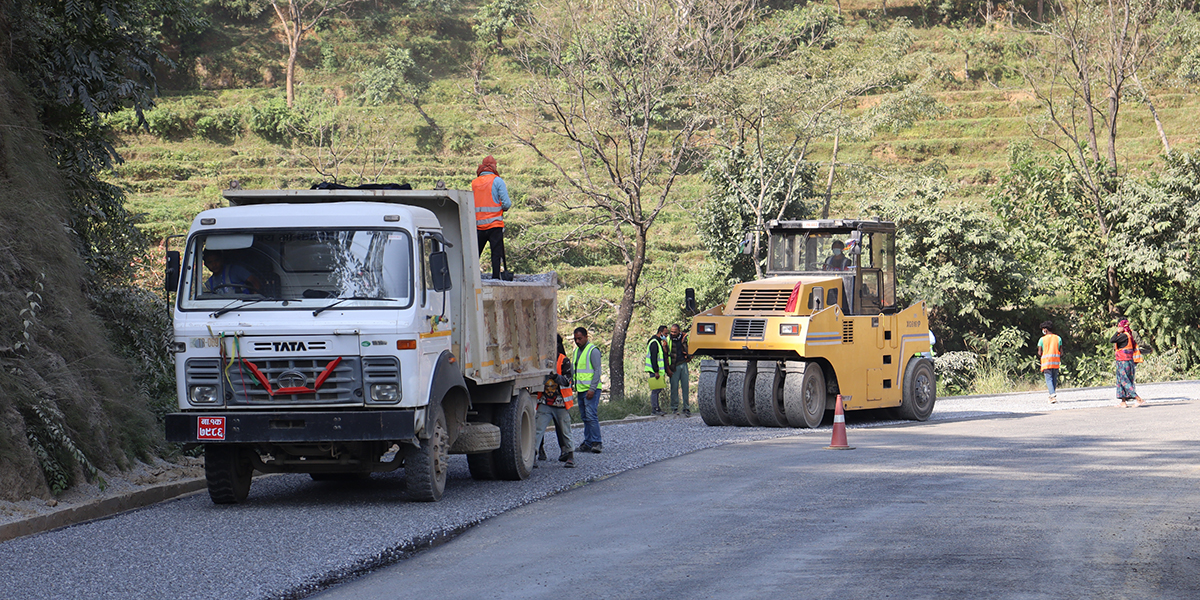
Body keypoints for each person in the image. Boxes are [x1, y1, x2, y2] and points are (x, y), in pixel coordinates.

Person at [534, 334, 575, 468]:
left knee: (565, 430)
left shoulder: (564, 361)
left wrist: (556, 377)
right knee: (537, 430)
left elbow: (568, 381)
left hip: (561, 403)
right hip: (545, 402)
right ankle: (532, 456)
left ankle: (570, 456)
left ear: (557, 345)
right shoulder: (541, 360)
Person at [471, 155, 512, 280]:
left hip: (478, 226)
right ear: (494, 166)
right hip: (495, 225)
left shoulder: (474, 183)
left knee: (475, 253)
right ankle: (496, 277)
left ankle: (472, 277)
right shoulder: (497, 180)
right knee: (496, 253)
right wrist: (501, 208)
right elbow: (507, 203)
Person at [572, 327, 604, 453]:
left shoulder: (593, 350)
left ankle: (597, 442)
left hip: (591, 390)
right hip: (581, 389)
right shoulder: (576, 352)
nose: (577, 341)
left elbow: (597, 371)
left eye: (579, 338)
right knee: (585, 417)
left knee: (591, 416)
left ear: (586, 337)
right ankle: (588, 442)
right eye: (575, 339)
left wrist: (592, 389)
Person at [1110, 318, 1146, 408]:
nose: (1118, 327)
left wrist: (1117, 332)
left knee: (1124, 381)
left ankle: (1139, 399)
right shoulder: (1126, 336)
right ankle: (1123, 402)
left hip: (1124, 362)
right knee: (1119, 381)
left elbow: (1112, 339)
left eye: (1120, 326)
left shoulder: (1124, 336)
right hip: (1122, 361)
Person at [667, 323, 691, 416]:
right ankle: (674, 408)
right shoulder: (668, 339)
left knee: (685, 387)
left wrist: (689, 356)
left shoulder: (684, 337)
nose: (672, 333)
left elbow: (688, 348)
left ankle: (686, 408)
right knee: (674, 387)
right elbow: (666, 353)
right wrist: (668, 368)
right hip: (674, 366)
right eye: (671, 331)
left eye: (674, 332)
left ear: (679, 331)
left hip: (683, 364)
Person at [1037, 321, 1063, 404]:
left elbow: (1039, 352)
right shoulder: (1058, 338)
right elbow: (1061, 352)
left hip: (1046, 362)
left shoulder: (1042, 339)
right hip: (1055, 361)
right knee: (1054, 378)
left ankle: (1052, 395)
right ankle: (1052, 395)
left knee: (1048, 378)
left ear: (1045, 329)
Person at [646, 326, 668, 416]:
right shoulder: (654, 342)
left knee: (658, 389)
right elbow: (653, 358)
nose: (666, 335)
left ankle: (657, 408)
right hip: (654, 371)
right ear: (660, 332)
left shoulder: (658, 342)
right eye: (665, 333)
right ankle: (655, 409)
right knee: (655, 390)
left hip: (657, 371)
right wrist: (656, 371)